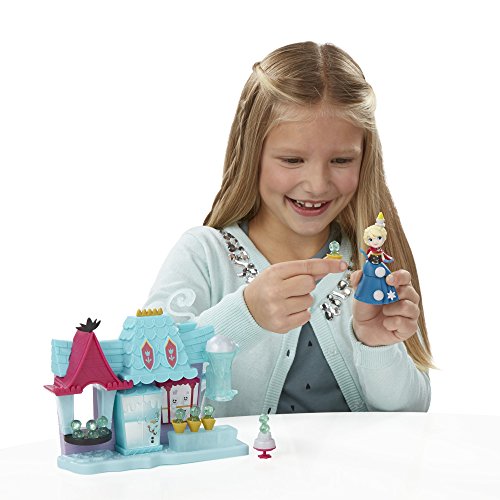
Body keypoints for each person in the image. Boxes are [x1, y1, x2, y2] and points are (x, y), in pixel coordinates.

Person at [144, 41, 433, 416]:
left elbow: (413, 414)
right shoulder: (203, 256)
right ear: (252, 155)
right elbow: (148, 388)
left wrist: (377, 346)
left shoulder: (373, 265)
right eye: (292, 159)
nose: (317, 184)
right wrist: (245, 315)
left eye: (341, 160)